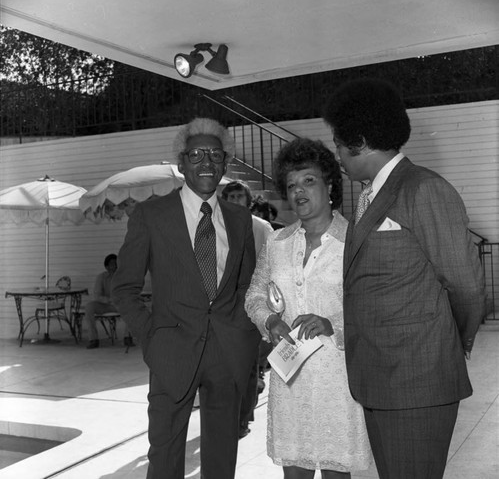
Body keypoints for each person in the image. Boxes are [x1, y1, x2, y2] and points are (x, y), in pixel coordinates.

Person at [322, 78, 486, 479]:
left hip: (417, 381)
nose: (338, 156)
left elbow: (467, 286)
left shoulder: (423, 189)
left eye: (340, 146)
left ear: (360, 141)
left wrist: (453, 340)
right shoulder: (370, 196)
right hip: (380, 379)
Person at [111, 118, 261, 479]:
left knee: (222, 459)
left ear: (225, 164)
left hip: (228, 354)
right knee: (164, 458)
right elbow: (124, 287)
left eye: (215, 154)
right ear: (181, 164)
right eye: (196, 154)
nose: (206, 162)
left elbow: (246, 286)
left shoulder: (241, 219)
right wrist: (152, 339)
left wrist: (244, 338)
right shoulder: (150, 215)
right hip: (171, 353)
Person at [245, 138, 372, 479]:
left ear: (330, 186)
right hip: (291, 379)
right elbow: (254, 296)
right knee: (295, 473)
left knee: (336, 473)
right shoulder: (277, 242)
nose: (298, 191)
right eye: (291, 185)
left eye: (308, 181)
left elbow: (371, 307)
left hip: (339, 380)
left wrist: (333, 324)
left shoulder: (356, 242)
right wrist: (269, 321)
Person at [221, 179, 274, 438]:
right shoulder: (214, 229)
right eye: (229, 197)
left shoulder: (260, 227)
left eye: (238, 197)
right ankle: (229, 414)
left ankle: (243, 418)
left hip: (251, 306)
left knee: (248, 366)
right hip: (222, 308)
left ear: (248, 201)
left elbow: (272, 266)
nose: (233, 202)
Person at [85, 253, 118, 349]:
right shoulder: (101, 277)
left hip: (120, 305)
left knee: (132, 308)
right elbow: (97, 295)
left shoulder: (123, 277)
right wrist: (108, 300)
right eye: (112, 264)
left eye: (116, 263)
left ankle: (127, 337)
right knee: (89, 307)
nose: (115, 266)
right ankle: (93, 339)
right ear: (107, 266)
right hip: (105, 304)